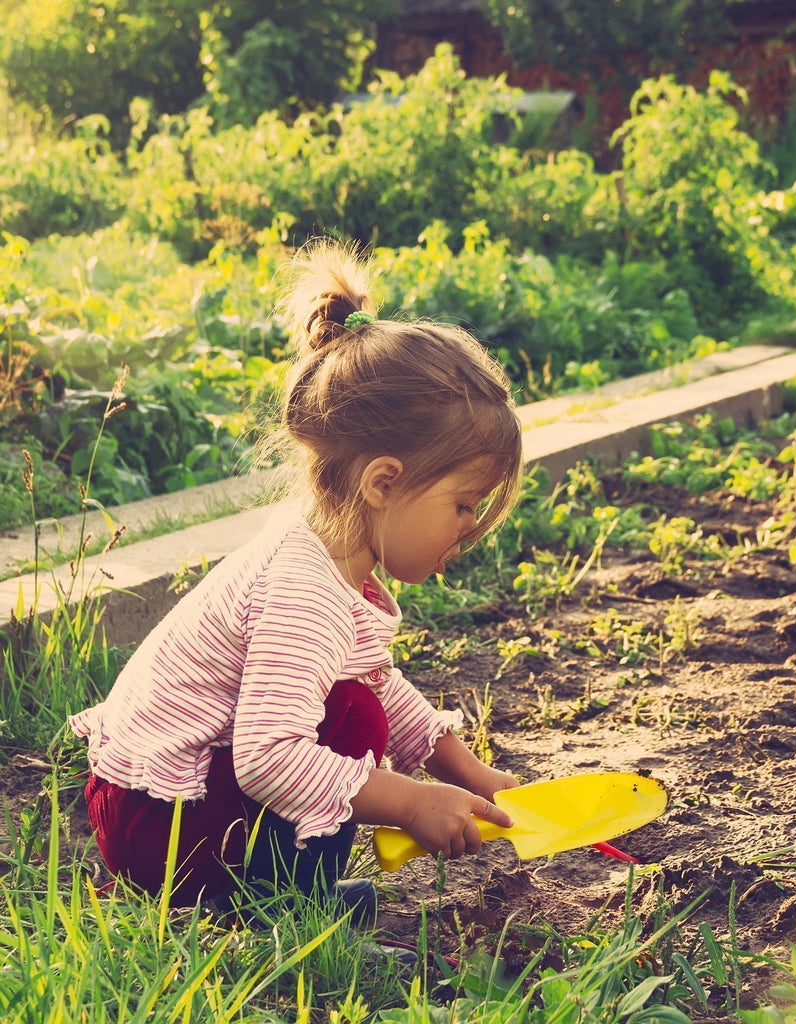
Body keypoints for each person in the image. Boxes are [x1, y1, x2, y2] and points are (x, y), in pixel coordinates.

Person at [69, 240, 524, 926]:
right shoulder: (303, 588)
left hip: (162, 809)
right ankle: (279, 912)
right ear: (383, 482)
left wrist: (466, 772)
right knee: (349, 721)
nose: (469, 530)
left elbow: (372, 676)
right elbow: (267, 759)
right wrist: (410, 801)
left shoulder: (330, 553)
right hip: (158, 824)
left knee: (353, 704)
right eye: (463, 506)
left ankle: (267, 890)